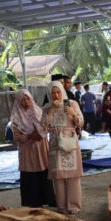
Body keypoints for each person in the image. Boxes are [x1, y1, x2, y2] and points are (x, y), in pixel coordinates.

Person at [42, 81, 83, 214]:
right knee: (58, 177)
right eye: (53, 93)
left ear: (62, 92)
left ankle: (74, 206)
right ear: (49, 94)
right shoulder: (47, 108)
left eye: (58, 92)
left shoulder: (70, 103)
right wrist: (52, 111)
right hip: (55, 145)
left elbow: (80, 122)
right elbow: (42, 127)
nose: (56, 95)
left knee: (73, 176)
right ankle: (62, 207)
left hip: (70, 143)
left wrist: (73, 113)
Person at [11, 89, 55, 208]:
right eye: (23, 100)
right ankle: (32, 202)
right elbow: (16, 136)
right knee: (30, 175)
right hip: (28, 150)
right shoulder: (16, 118)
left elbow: (47, 126)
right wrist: (30, 136)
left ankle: (48, 198)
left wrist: (42, 132)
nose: (26, 102)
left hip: (41, 148)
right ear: (18, 102)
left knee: (44, 172)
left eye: (28, 98)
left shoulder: (39, 112)